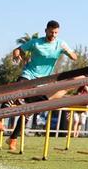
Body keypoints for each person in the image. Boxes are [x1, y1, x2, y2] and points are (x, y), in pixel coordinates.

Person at [6, 21, 79, 151]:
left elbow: (75, 57)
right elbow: (18, 50)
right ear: (46, 30)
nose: (53, 35)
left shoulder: (60, 43)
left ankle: (13, 138)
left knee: (28, 113)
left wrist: (68, 52)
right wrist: (19, 56)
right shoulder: (36, 42)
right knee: (16, 88)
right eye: (51, 32)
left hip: (43, 82)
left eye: (56, 32)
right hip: (29, 75)